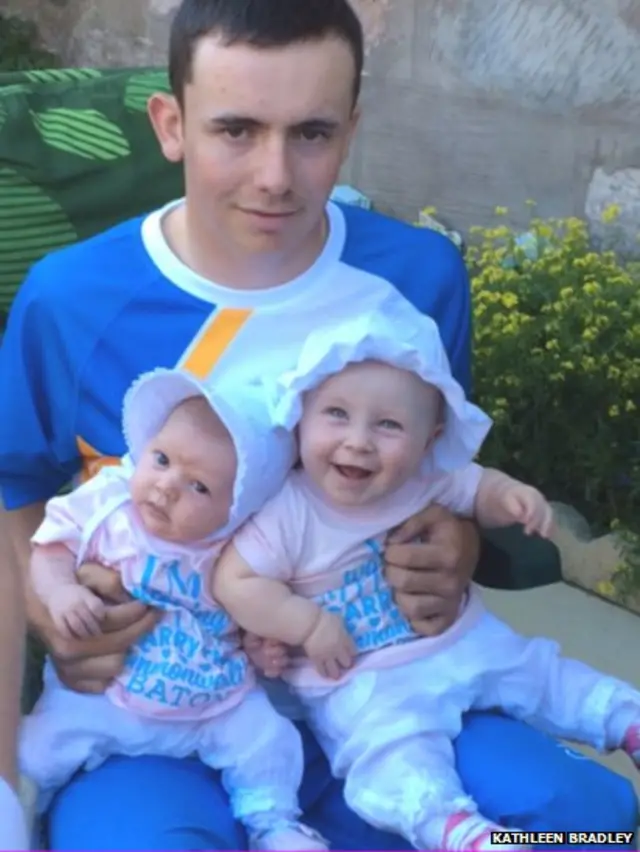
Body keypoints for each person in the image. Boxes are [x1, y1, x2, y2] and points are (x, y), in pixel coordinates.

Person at [0, 0, 636, 847]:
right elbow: (14, 488)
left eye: (311, 133)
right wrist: (47, 614)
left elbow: (432, 469)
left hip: (379, 687)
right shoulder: (74, 300)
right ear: (171, 124)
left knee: (584, 822)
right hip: (162, 717)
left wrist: (460, 540)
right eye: (235, 129)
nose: (275, 175)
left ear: (353, 127)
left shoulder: (413, 277)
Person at [214, 311, 640, 851]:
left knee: (540, 672)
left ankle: (624, 717)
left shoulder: (427, 476)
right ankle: (450, 827)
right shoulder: (292, 510)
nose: (359, 441)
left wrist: (510, 497)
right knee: (392, 751)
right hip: (364, 681)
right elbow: (238, 578)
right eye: (336, 415)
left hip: (463, 641)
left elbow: (479, 487)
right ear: (300, 417)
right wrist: (306, 624)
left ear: (429, 437)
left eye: (388, 425)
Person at [20, 367, 329, 850]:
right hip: (108, 693)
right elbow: (49, 547)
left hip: (212, 699)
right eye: (161, 459)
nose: (166, 486)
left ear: (237, 507)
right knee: (37, 751)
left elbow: (252, 611)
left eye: (199, 486)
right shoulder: (109, 507)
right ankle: (21, 820)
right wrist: (60, 592)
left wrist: (260, 644)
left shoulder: (240, 546)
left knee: (268, 741)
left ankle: (274, 824)